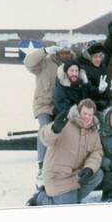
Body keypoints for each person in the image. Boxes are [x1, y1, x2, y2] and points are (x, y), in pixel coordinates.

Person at [26, 99, 104, 206]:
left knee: (97, 174)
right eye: (84, 113)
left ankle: (71, 198)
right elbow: (44, 137)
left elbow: (97, 152)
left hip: (76, 175)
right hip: (57, 176)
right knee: (68, 207)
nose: (87, 117)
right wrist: (54, 129)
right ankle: (40, 198)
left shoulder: (94, 132)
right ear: (78, 112)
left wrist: (89, 168)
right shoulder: (66, 123)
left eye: (90, 115)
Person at [23, 41, 74, 179]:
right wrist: (44, 51)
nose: (65, 55)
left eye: (67, 53)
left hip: (61, 106)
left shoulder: (71, 66)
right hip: (44, 105)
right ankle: (41, 165)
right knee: (44, 128)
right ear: (57, 52)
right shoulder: (44, 63)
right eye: (62, 52)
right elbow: (28, 62)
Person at [78, 21, 112, 112]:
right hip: (92, 110)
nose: (98, 59)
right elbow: (86, 93)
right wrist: (98, 90)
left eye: (100, 56)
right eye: (95, 57)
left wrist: (111, 36)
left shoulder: (100, 65)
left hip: (105, 106)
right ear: (88, 56)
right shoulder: (83, 69)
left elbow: (107, 50)